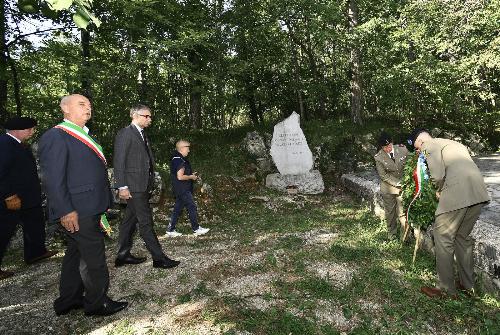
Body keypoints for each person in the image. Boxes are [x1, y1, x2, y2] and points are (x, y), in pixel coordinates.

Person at [38, 94, 128, 316]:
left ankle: (68, 300)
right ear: (65, 109)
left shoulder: (81, 135)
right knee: (93, 258)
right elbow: (53, 179)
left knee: (75, 254)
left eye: (89, 104)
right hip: (77, 209)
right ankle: (97, 303)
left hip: (87, 205)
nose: (88, 108)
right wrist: (65, 210)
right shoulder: (56, 136)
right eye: (82, 104)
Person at [408, 129, 490, 298]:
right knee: (461, 237)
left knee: (442, 236)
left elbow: (438, 175)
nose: (417, 150)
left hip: (457, 193)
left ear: (419, 140)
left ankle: (445, 289)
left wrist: (439, 191)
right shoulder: (453, 143)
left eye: (416, 147)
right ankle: (468, 286)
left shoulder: (429, 144)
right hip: (477, 192)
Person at [113, 104, 180, 269]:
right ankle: (159, 258)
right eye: (146, 116)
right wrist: (122, 186)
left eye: (150, 116)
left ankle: (122, 255)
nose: (150, 119)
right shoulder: (125, 134)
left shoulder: (142, 134)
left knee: (129, 220)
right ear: (135, 115)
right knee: (145, 222)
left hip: (143, 184)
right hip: (133, 186)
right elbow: (119, 162)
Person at [0, 117, 57, 280]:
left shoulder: (18, 143)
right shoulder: (4, 144)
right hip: (12, 198)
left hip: (28, 197)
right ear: (17, 130)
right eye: (30, 129)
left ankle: (35, 253)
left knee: (35, 222)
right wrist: (9, 196)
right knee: (4, 230)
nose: (32, 132)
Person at [165, 140, 209, 237]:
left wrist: (190, 175)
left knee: (177, 208)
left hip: (179, 188)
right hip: (182, 189)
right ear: (182, 148)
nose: (189, 150)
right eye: (188, 148)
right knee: (191, 206)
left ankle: (170, 229)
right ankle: (196, 228)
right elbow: (180, 177)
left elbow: (180, 174)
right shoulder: (179, 160)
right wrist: (191, 177)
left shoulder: (176, 158)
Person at [374, 131, 409, 240]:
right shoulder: (379, 157)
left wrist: (406, 181)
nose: (388, 149)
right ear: (381, 147)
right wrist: (399, 183)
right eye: (385, 147)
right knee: (390, 212)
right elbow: (383, 175)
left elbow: (410, 164)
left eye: (389, 146)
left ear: (392, 143)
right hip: (388, 187)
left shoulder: (402, 149)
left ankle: (405, 236)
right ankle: (392, 234)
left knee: (402, 213)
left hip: (403, 186)